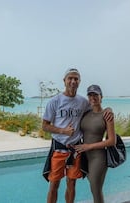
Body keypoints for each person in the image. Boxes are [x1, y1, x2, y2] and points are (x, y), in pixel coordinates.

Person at [42, 68, 112, 203]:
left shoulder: (83, 102)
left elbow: (97, 109)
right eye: (70, 78)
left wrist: (109, 109)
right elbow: (45, 126)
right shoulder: (54, 101)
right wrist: (63, 131)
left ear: (79, 82)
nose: (73, 81)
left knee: (71, 183)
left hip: (75, 151)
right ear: (64, 81)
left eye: (76, 79)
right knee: (54, 184)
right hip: (58, 149)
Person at [73, 84, 116, 203]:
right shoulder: (86, 113)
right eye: (90, 95)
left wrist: (89, 146)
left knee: (95, 188)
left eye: (96, 95)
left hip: (98, 157)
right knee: (94, 189)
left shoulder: (107, 115)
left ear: (101, 96)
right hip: (85, 157)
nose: (93, 97)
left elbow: (112, 141)